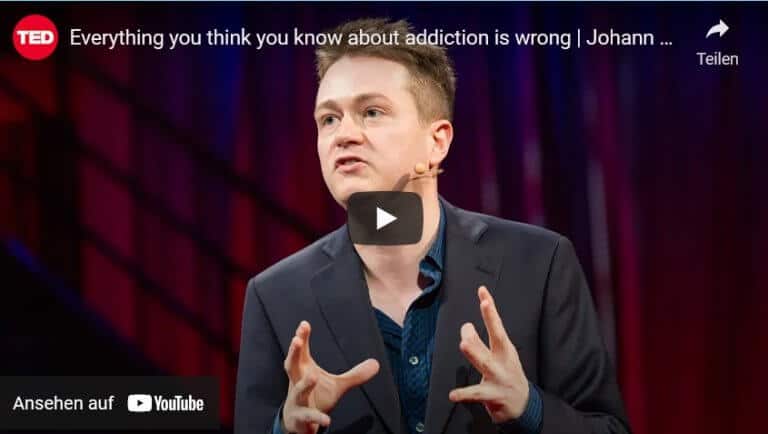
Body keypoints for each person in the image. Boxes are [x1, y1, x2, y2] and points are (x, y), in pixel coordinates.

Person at [234, 18, 630, 434]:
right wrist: (284, 429)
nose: (343, 135)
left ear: (437, 141)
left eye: (371, 112)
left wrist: (529, 408)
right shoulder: (274, 296)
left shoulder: (539, 265)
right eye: (328, 119)